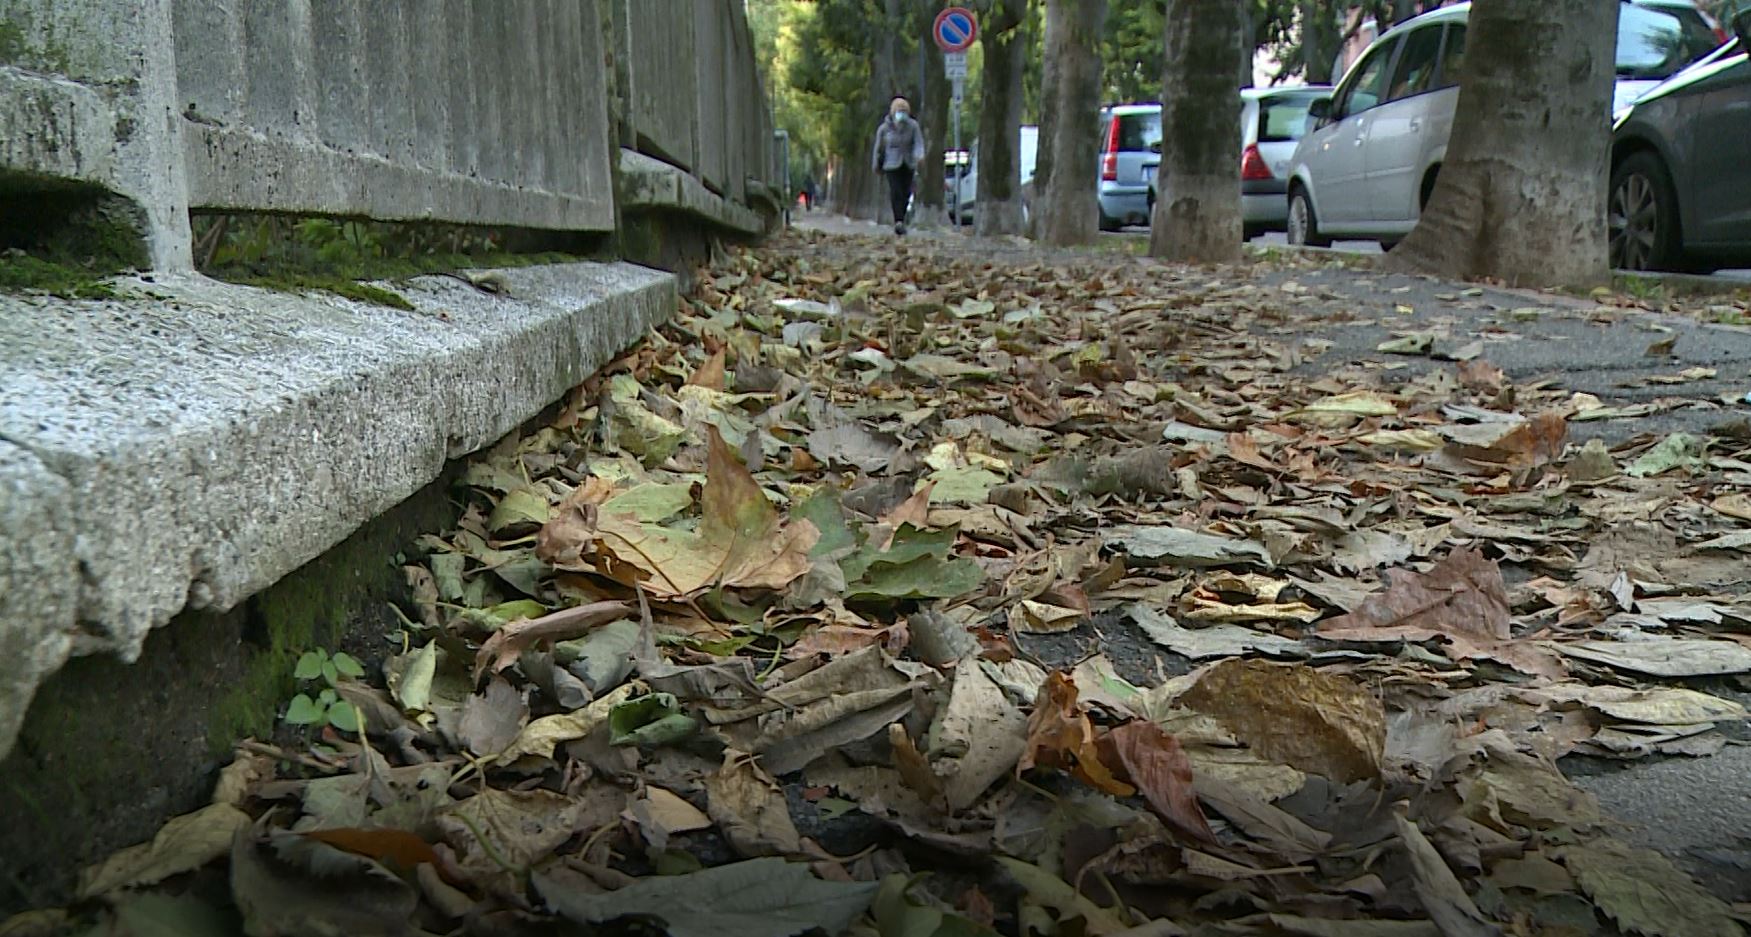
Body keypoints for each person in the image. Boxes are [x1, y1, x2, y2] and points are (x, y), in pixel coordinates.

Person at [871, 96, 925, 235]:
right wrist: (876, 165)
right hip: (891, 164)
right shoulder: (884, 129)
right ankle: (898, 221)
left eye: (904, 111)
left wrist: (919, 156)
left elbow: (918, 143)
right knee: (896, 192)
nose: (902, 113)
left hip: (908, 164)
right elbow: (879, 148)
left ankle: (903, 218)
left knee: (906, 192)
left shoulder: (913, 126)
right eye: (899, 111)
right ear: (893, 112)